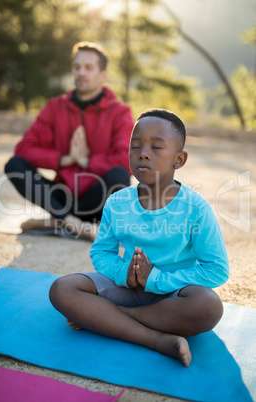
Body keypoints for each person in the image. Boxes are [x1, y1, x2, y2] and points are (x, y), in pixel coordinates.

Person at [49, 109, 229, 366]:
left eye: (156, 147)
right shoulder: (117, 202)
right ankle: (157, 340)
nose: (143, 153)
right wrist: (126, 274)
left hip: (174, 297)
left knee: (209, 306)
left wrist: (156, 279)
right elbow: (102, 252)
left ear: (179, 159)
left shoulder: (196, 209)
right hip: (127, 288)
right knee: (62, 289)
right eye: (136, 146)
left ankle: (107, 317)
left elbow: (216, 270)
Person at [4, 42, 134, 241]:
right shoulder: (56, 107)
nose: (81, 73)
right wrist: (66, 159)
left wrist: (86, 162)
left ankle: (59, 221)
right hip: (61, 196)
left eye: (89, 68)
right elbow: (24, 149)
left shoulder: (120, 112)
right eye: (77, 67)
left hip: (97, 198)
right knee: (14, 165)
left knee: (119, 175)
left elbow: (127, 161)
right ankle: (73, 223)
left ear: (103, 75)